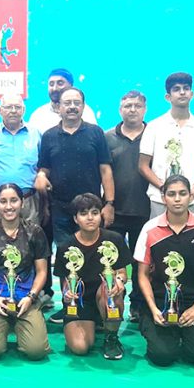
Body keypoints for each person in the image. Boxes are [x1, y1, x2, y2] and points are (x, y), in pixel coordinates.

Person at [35, 87, 114, 324]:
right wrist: (40, 176)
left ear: (83, 106)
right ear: (58, 107)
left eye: (76, 102)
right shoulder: (49, 136)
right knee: (66, 256)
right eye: (66, 103)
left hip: (91, 208)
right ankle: (70, 304)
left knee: (95, 256)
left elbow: (105, 170)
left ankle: (98, 304)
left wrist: (109, 203)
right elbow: (44, 168)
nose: (71, 107)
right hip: (60, 208)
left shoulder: (95, 133)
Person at [135, 175, 194, 367]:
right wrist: (153, 308)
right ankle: (165, 334)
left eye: (182, 194)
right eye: (172, 194)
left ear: (191, 196)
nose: (177, 199)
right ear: (163, 197)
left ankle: (188, 334)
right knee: (162, 357)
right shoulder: (150, 229)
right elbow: (142, 274)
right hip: (160, 301)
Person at [0, 183, 50, 360]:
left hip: (26, 299)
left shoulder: (35, 232)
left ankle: (21, 324)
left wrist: (31, 297)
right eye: (3, 201)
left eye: (13, 200)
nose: (9, 206)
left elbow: (42, 271)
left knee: (36, 352)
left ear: (22, 202)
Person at [54, 193, 131, 359]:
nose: (90, 218)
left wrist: (119, 281)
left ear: (100, 215)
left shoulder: (114, 240)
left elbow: (122, 273)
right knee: (80, 347)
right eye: (83, 214)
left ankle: (111, 338)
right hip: (81, 302)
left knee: (109, 288)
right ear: (75, 219)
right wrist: (68, 294)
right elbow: (65, 282)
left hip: (106, 296)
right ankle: (96, 324)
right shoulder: (65, 246)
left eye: (95, 213)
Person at [139, 72, 194, 218]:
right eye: (176, 89)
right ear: (168, 97)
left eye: (186, 88)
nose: (182, 92)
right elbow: (143, 166)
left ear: (191, 94)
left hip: (193, 200)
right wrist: (164, 189)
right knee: (160, 241)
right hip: (160, 200)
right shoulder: (154, 127)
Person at [104, 90, 151, 322]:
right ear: (120, 109)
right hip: (115, 211)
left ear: (145, 109)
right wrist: (107, 204)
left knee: (142, 261)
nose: (132, 109)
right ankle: (111, 301)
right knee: (112, 260)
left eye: (137, 105)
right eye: (127, 105)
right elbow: (103, 173)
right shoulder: (107, 137)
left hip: (146, 211)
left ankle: (139, 304)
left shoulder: (155, 135)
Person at [0, 93, 42, 225]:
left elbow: (43, 167)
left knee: (30, 243)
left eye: (17, 107)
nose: (13, 111)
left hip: (28, 202)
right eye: (8, 107)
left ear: (23, 110)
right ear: (0, 110)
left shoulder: (35, 133)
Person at [28, 68, 97, 133]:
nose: (55, 88)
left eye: (60, 83)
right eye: (51, 84)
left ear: (71, 86)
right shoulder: (38, 116)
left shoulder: (86, 113)